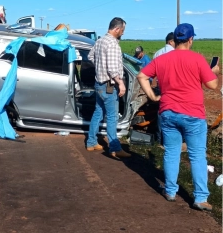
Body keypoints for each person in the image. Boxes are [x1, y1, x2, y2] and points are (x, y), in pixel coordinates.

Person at [137, 24, 220, 210]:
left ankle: (171, 191)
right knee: (198, 155)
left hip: (168, 112)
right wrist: (213, 71)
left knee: (171, 152)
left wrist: (152, 96)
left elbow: (142, 76)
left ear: (175, 40)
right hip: (193, 114)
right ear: (191, 39)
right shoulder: (197, 59)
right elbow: (213, 85)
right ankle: (200, 198)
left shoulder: (162, 59)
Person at [85, 17, 130, 159]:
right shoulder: (112, 44)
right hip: (109, 85)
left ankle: (91, 142)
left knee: (98, 113)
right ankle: (115, 148)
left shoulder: (99, 41)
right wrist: (121, 83)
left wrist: (100, 67)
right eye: (122, 30)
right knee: (112, 117)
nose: (122, 33)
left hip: (99, 83)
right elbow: (112, 70)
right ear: (117, 29)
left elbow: (90, 56)